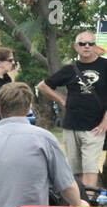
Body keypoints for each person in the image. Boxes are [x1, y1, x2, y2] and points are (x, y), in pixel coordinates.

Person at [37, 29, 107, 189]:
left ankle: (87, 204)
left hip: (95, 127)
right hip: (71, 125)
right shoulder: (70, 69)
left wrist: (105, 121)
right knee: (75, 169)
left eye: (91, 43)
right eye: (83, 43)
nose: (87, 46)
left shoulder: (105, 66)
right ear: (76, 47)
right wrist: (61, 99)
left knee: (90, 167)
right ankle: (79, 201)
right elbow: (43, 86)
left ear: (95, 46)